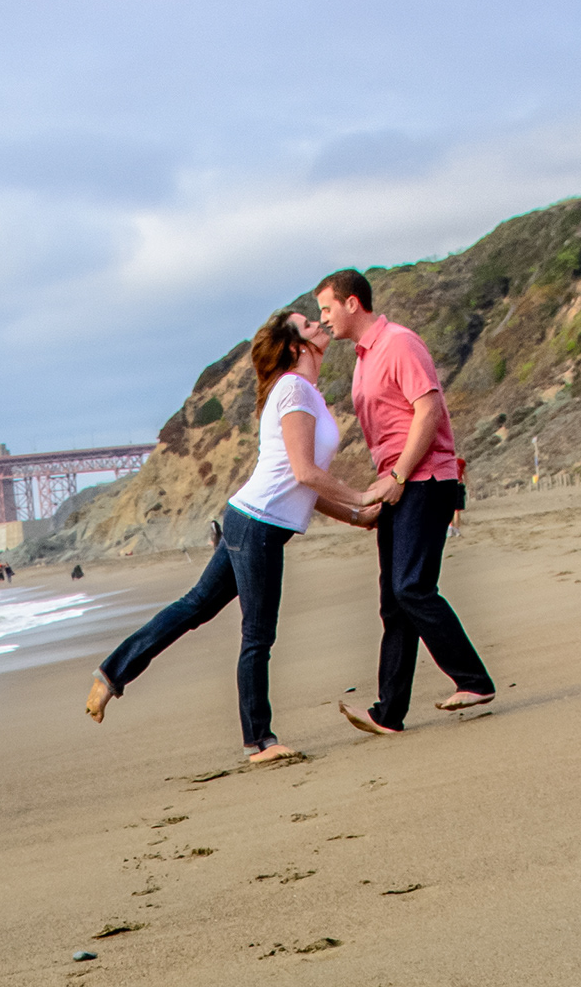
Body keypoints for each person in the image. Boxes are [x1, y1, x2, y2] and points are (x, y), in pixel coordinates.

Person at [85, 308, 375, 760]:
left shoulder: (305, 392)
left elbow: (299, 486)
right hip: (256, 525)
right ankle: (259, 741)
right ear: (298, 345)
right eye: (309, 324)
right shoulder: (295, 389)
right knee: (257, 635)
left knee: (195, 607)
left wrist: (356, 517)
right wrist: (360, 497)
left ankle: (111, 674)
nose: (320, 324)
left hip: (252, 519)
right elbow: (306, 473)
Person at [314, 268, 495, 736]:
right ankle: (388, 713)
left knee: (411, 587)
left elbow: (429, 409)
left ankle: (473, 680)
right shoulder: (362, 358)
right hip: (396, 481)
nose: (324, 319)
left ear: (353, 303)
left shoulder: (399, 342)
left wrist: (397, 476)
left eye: (326, 309)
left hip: (425, 478)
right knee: (394, 601)